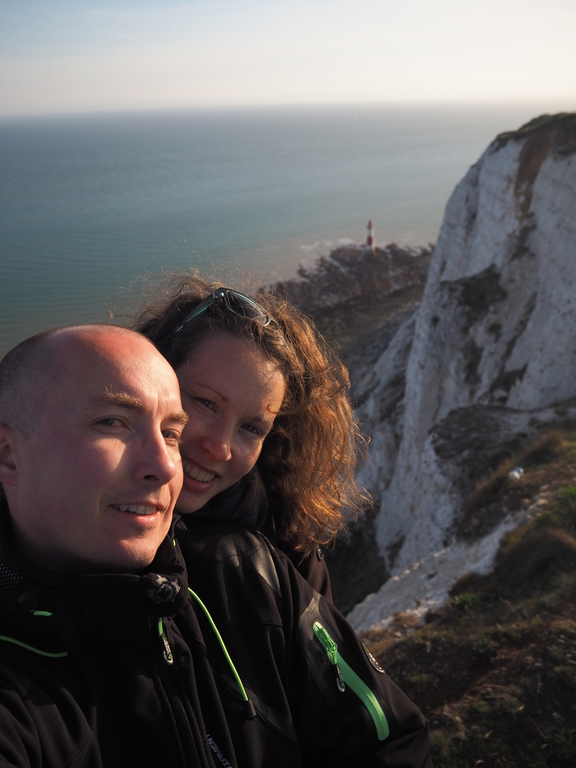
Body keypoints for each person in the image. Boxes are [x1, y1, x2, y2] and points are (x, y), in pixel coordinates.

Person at [0, 324, 433, 767]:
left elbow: (389, 741)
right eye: (112, 422)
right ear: (7, 453)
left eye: (171, 431)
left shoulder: (250, 571)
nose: (167, 466)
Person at [132, 275, 367, 600]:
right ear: (152, 375)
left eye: (251, 428)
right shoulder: (76, 514)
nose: (219, 449)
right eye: (206, 403)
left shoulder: (289, 553)